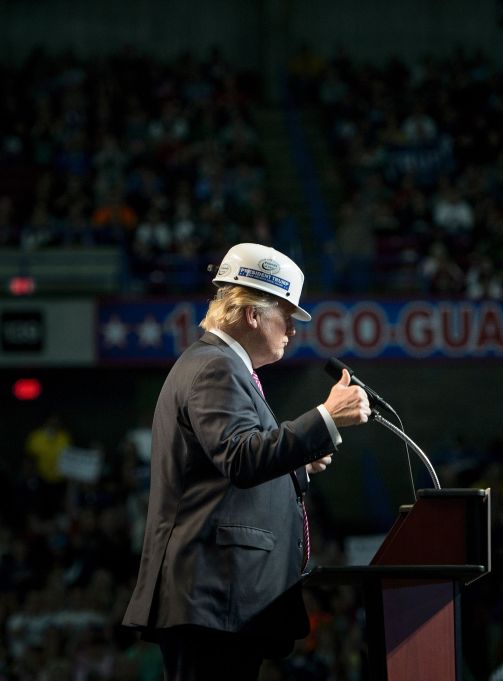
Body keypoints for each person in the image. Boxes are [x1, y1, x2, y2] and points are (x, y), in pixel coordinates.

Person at [122, 243, 370, 680]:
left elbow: (220, 469)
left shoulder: (218, 366)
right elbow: (240, 457)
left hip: (220, 602)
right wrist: (326, 418)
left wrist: (298, 464)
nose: (292, 329)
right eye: (287, 314)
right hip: (212, 599)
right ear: (252, 313)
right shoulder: (216, 368)